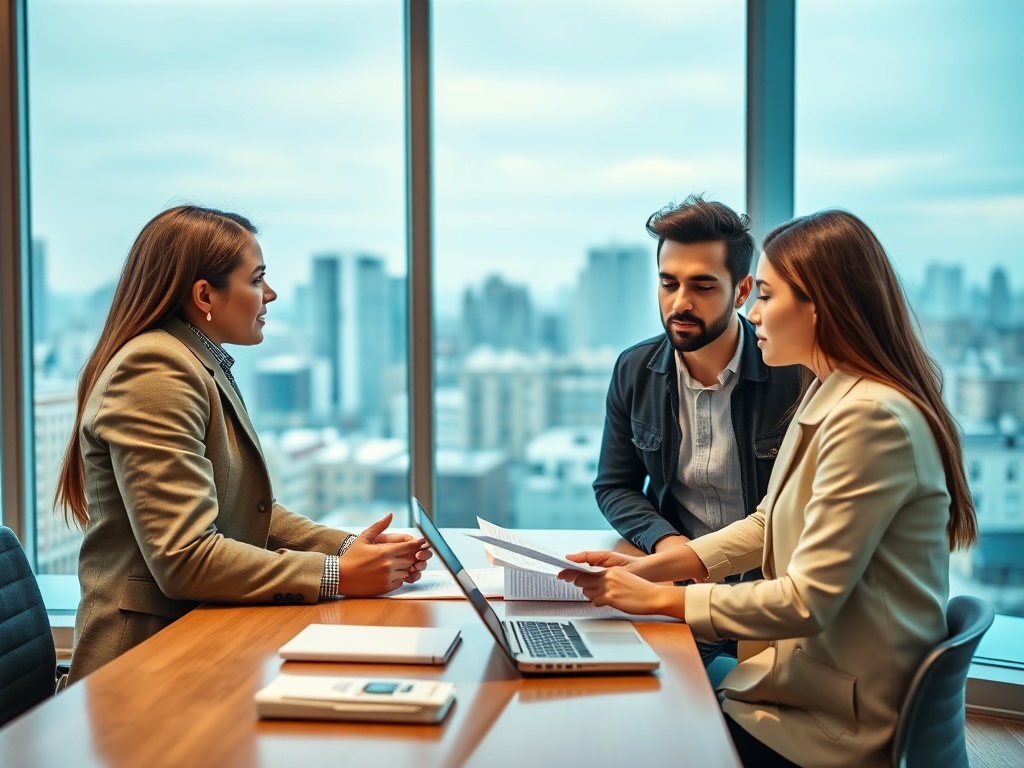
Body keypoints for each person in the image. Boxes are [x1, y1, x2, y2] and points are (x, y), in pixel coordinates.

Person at [562, 209, 978, 767]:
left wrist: (664, 599)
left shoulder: (870, 418)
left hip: (839, 718)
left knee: (634, 735)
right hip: (809, 679)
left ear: (819, 307)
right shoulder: (833, 392)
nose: (753, 313)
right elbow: (767, 520)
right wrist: (650, 568)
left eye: (767, 295)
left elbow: (808, 600)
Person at [55, 205, 431, 683]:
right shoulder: (156, 370)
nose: (270, 295)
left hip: (196, 640)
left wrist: (356, 549)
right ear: (205, 294)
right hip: (142, 667)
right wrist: (335, 574)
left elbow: (250, 510)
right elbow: (185, 557)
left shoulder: (196, 363)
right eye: (257, 280)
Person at [594, 195, 802, 662]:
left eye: (703, 286)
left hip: (768, 600)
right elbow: (614, 485)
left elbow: (790, 521)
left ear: (743, 290)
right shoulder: (635, 370)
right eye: (669, 284)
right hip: (681, 588)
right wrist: (668, 544)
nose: (680, 303)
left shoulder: (794, 374)